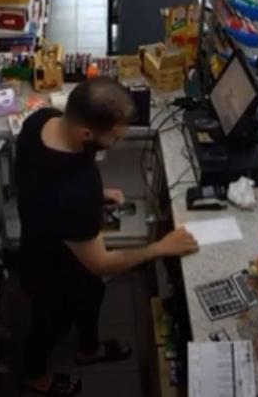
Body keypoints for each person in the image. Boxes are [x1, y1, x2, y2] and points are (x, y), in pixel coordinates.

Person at [15, 77, 198, 396]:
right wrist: (159, 247)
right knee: (48, 322)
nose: (118, 140)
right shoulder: (76, 190)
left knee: (90, 294)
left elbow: (44, 178)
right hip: (49, 263)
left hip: (39, 226)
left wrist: (96, 195)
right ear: (86, 133)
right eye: (114, 137)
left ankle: (89, 350)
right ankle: (36, 377)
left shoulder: (40, 121)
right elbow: (100, 262)